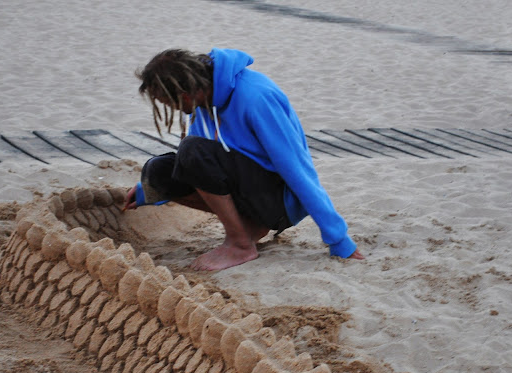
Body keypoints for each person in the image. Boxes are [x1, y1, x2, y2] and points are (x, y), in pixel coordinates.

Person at [124, 48, 363, 271]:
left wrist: (339, 240)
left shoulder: (256, 98)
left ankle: (240, 245)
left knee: (191, 150)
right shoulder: (205, 101)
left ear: (187, 94)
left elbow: (298, 170)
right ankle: (248, 225)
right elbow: (195, 166)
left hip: (279, 202)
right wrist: (148, 189)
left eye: (169, 102)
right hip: (250, 189)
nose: (172, 108)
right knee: (159, 171)